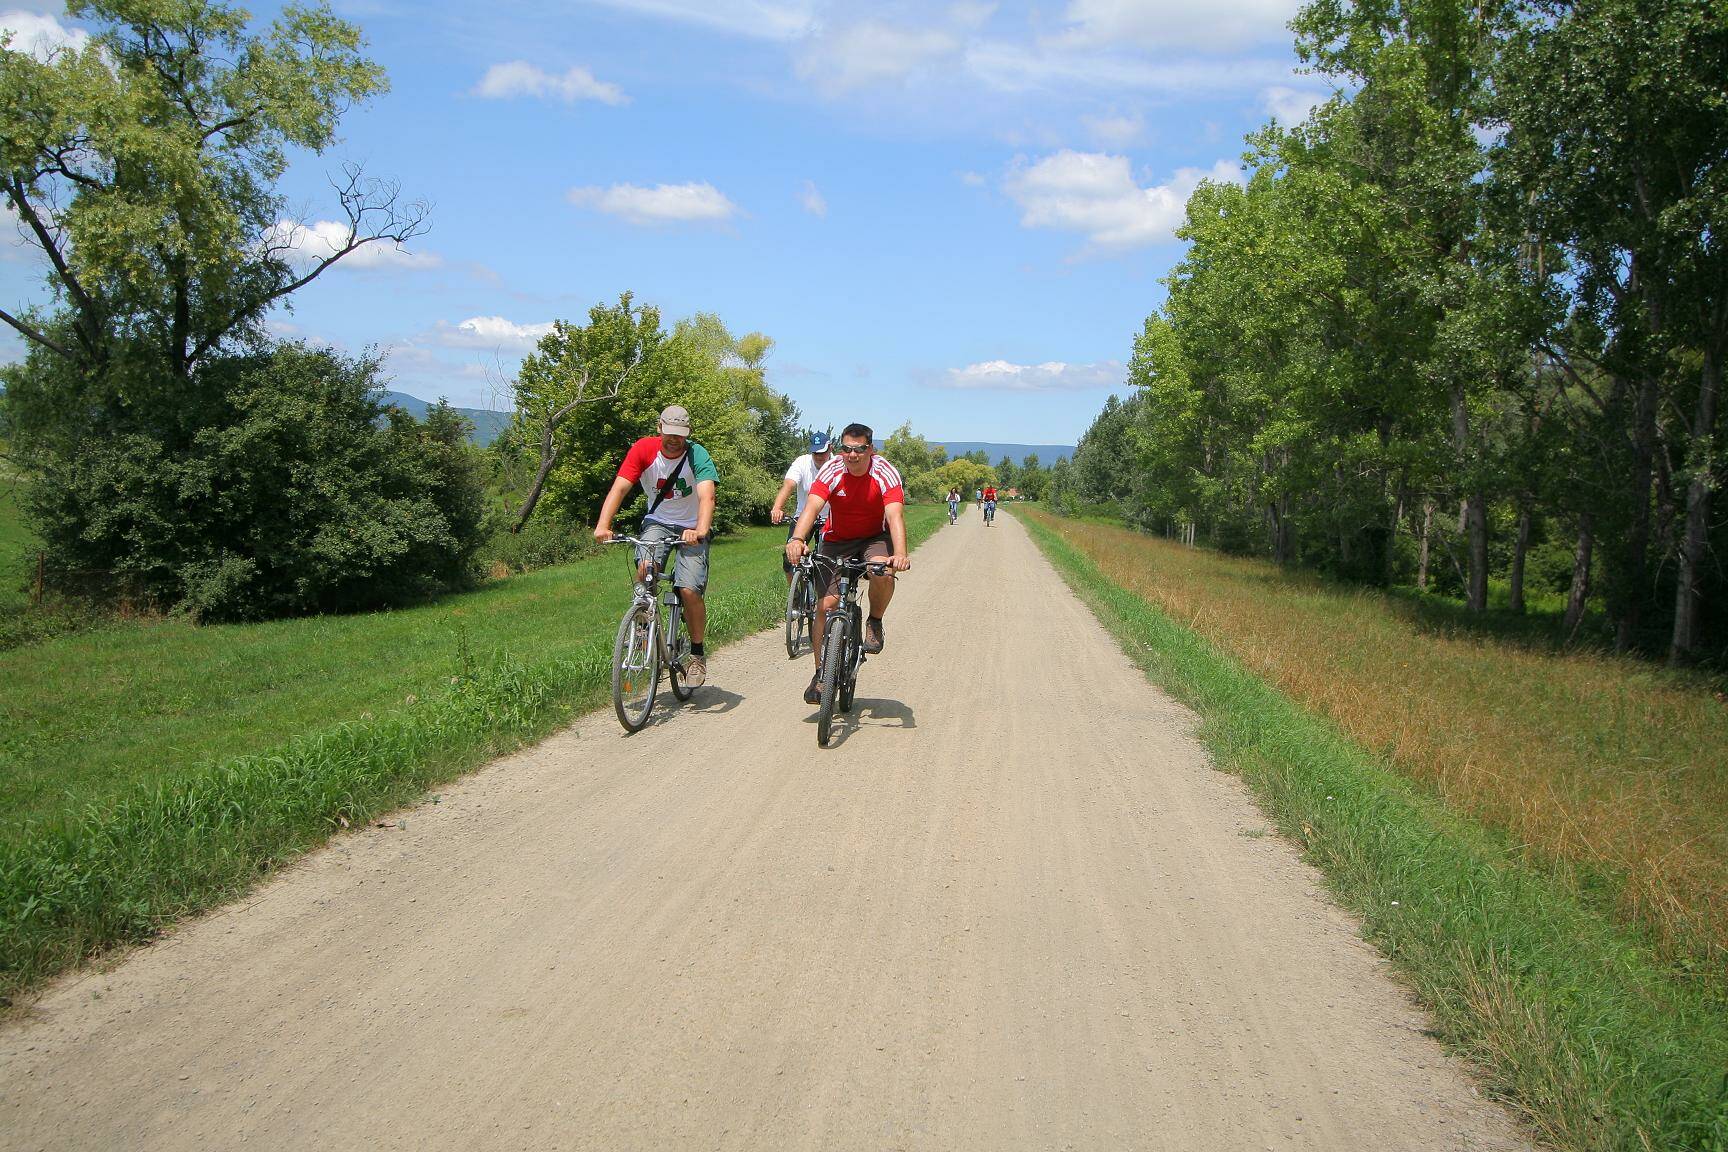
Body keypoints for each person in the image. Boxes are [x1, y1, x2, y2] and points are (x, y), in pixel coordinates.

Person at [785, 423, 910, 705]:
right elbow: (812, 507)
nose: (852, 455)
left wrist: (900, 553)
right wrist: (797, 538)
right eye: (846, 449)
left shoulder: (884, 471)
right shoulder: (832, 469)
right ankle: (821, 675)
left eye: (859, 449)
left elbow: (894, 516)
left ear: (871, 449)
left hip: (874, 537)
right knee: (825, 606)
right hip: (837, 539)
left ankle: (874, 621)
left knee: (882, 572)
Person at [593, 405, 718, 687]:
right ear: (659, 428)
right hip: (657, 522)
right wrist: (603, 525)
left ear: (688, 433)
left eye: (680, 434)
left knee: (689, 589)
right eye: (669, 433)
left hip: (692, 527)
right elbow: (620, 488)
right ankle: (642, 624)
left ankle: (697, 655)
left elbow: (707, 496)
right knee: (645, 568)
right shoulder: (643, 450)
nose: (674, 439)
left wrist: (700, 530)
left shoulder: (697, 454)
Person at [770, 431, 833, 583]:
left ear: (830, 448)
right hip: (803, 516)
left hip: (830, 518)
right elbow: (789, 485)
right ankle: (795, 594)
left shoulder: (837, 465)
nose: (819, 456)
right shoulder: (802, 462)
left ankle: (824, 591)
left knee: (826, 560)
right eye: (815, 453)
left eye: (823, 452)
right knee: (789, 557)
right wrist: (777, 507)